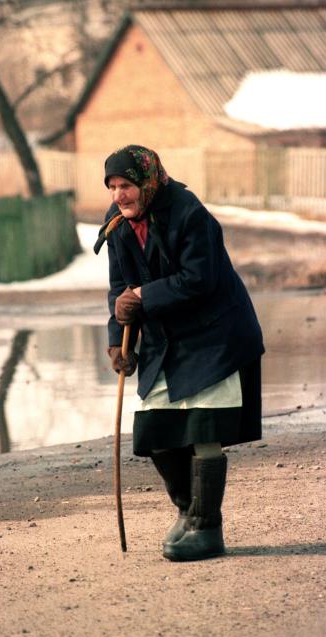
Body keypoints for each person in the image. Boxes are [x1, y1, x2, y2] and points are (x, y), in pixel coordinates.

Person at [94, 144, 265, 561]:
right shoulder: (116, 224)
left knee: (203, 430)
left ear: (148, 182)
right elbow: (120, 289)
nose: (119, 194)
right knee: (155, 434)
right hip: (165, 338)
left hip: (214, 335)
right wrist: (119, 339)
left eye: (127, 185)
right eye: (113, 186)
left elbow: (199, 279)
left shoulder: (188, 212)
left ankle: (207, 530)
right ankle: (189, 512)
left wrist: (142, 296)